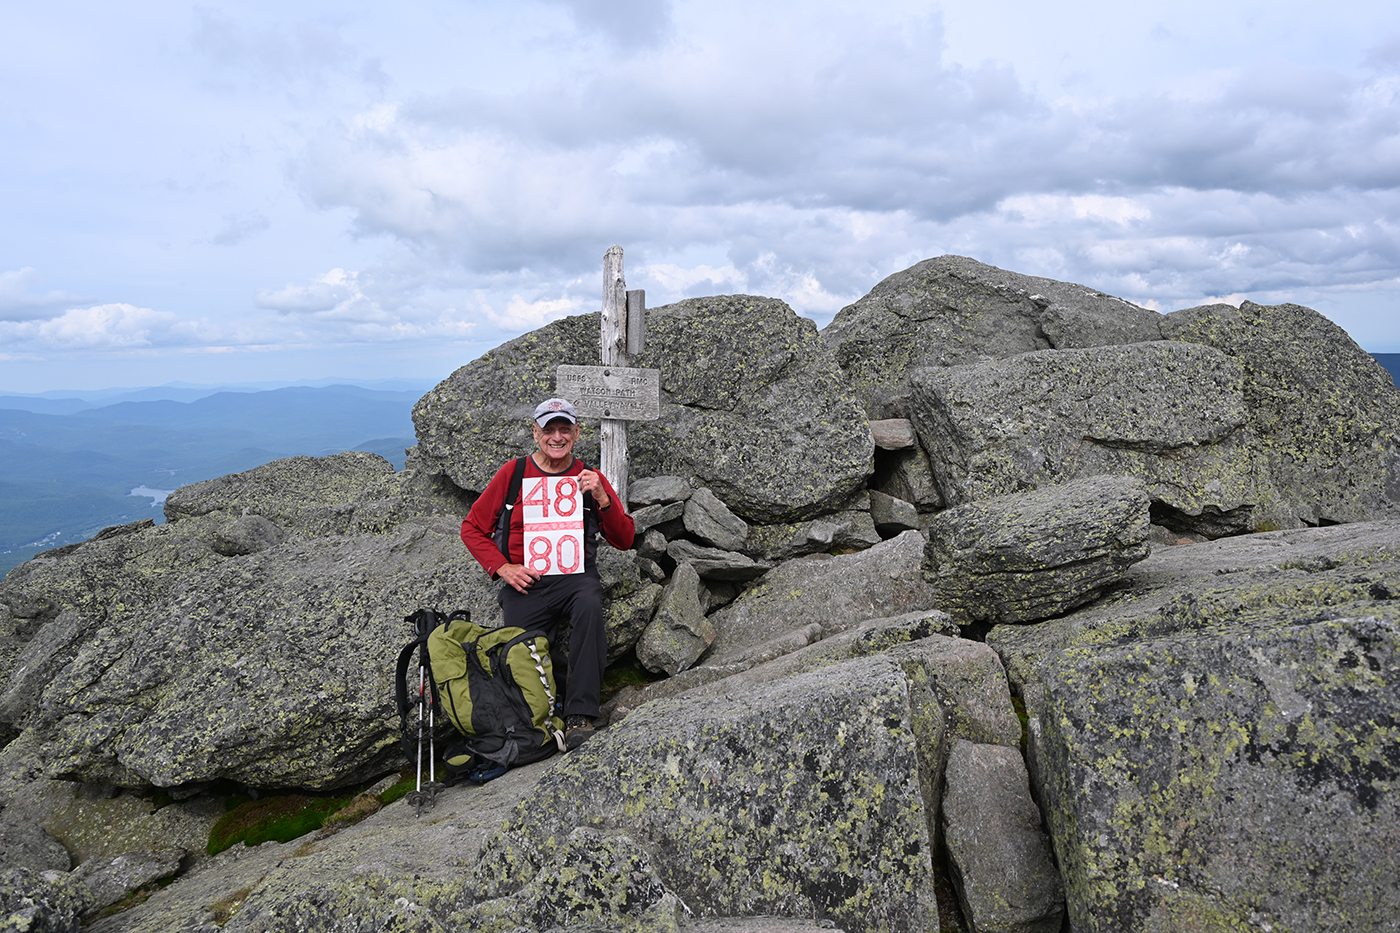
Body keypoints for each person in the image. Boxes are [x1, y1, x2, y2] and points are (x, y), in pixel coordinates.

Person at [460, 397, 635, 750]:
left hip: (574, 577)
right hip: (525, 579)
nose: (557, 437)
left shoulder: (589, 477)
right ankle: (547, 708)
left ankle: (580, 715)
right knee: (523, 646)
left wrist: (603, 499)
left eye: (564, 429)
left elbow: (625, 538)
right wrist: (503, 567)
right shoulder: (513, 473)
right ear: (536, 433)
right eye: (549, 429)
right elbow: (471, 528)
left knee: (589, 607)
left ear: (577, 433)